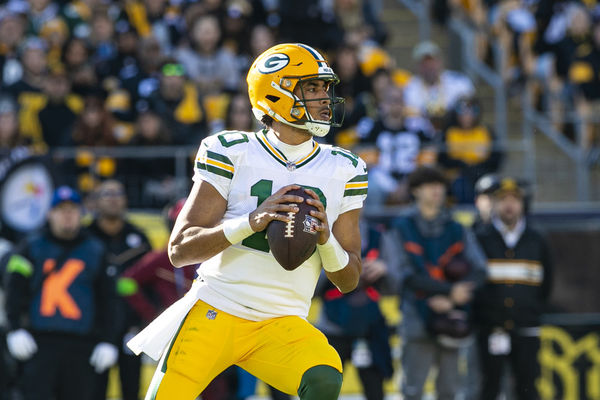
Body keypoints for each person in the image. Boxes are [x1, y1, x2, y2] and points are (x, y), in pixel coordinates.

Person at [127, 42, 368, 400]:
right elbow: (180, 250)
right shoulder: (231, 150)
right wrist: (251, 221)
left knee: (324, 377)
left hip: (282, 321)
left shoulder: (345, 168)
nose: (324, 97)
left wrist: (324, 239)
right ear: (276, 93)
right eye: (312, 87)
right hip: (217, 308)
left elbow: (349, 279)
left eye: (325, 88)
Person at [3, 186, 119, 400]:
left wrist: (108, 340)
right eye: (61, 209)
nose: (67, 215)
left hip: (82, 346)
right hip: (39, 343)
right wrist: (15, 329)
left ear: (81, 214)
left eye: (73, 210)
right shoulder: (30, 247)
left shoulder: (96, 250)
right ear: (49, 214)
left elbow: (108, 300)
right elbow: (14, 290)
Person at [382, 166, 487, 400]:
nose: (437, 190)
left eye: (440, 185)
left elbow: (480, 269)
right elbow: (402, 275)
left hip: (453, 317)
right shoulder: (400, 227)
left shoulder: (457, 227)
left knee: (450, 389)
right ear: (416, 191)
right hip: (415, 315)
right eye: (430, 185)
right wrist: (449, 292)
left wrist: (455, 296)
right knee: (412, 388)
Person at [474, 177, 553, 400]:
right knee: (489, 386)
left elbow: (547, 283)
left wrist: (533, 311)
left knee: (528, 386)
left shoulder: (537, 239)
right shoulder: (481, 237)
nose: (509, 205)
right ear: (494, 203)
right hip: (490, 327)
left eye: (515, 199)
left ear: (522, 203)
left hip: (526, 326)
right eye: (503, 199)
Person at [315, 218, 394, 400]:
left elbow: (397, 282)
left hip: (369, 325)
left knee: (375, 389)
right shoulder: (322, 233)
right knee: (324, 389)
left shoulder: (378, 235)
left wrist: (383, 268)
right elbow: (310, 287)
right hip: (332, 325)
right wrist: (339, 268)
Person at [88, 179, 152, 400]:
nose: (114, 198)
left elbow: (151, 283)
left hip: (130, 326)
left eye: (118, 193)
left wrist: (146, 320)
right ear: (95, 202)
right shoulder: (85, 237)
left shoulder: (139, 238)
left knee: (132, 388)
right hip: (93, 326)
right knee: (92, 389)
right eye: (107, 193)